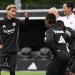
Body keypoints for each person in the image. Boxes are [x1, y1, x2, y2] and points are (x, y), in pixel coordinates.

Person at [0, 4, 29, 75]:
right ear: (7, 11)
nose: (14, 13)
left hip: (13, 50)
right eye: (12, 11)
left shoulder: (17, 21)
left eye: (15, 12)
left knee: (12, 70)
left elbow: (25, 25)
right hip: (3, 49)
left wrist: (26, 18)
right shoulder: (1, 22)